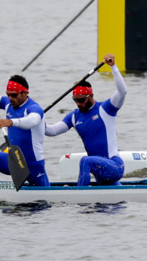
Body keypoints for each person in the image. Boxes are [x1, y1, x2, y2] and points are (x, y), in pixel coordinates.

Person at [45, 54, 126, 186]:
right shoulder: (74, 117)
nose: (78, 104)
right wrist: (37, 120)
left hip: (115, 166)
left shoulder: (105, 109)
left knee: (85, 161)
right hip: (100, 174)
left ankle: (79, 197)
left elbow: (122, 92)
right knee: (107, 207)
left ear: (91, 96)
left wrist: (113, 67)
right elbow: (51, 131)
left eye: (81, 100)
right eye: (75, 100)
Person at [0, 56, 49, 186]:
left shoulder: (34, 108)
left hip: (33, 165)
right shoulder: (8, 104)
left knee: (44, 203)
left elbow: (33, 121)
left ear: (25, 93)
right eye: (8, 94)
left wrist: (12, 122)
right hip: (15, 162)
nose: (10, 98)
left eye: (14, 95)